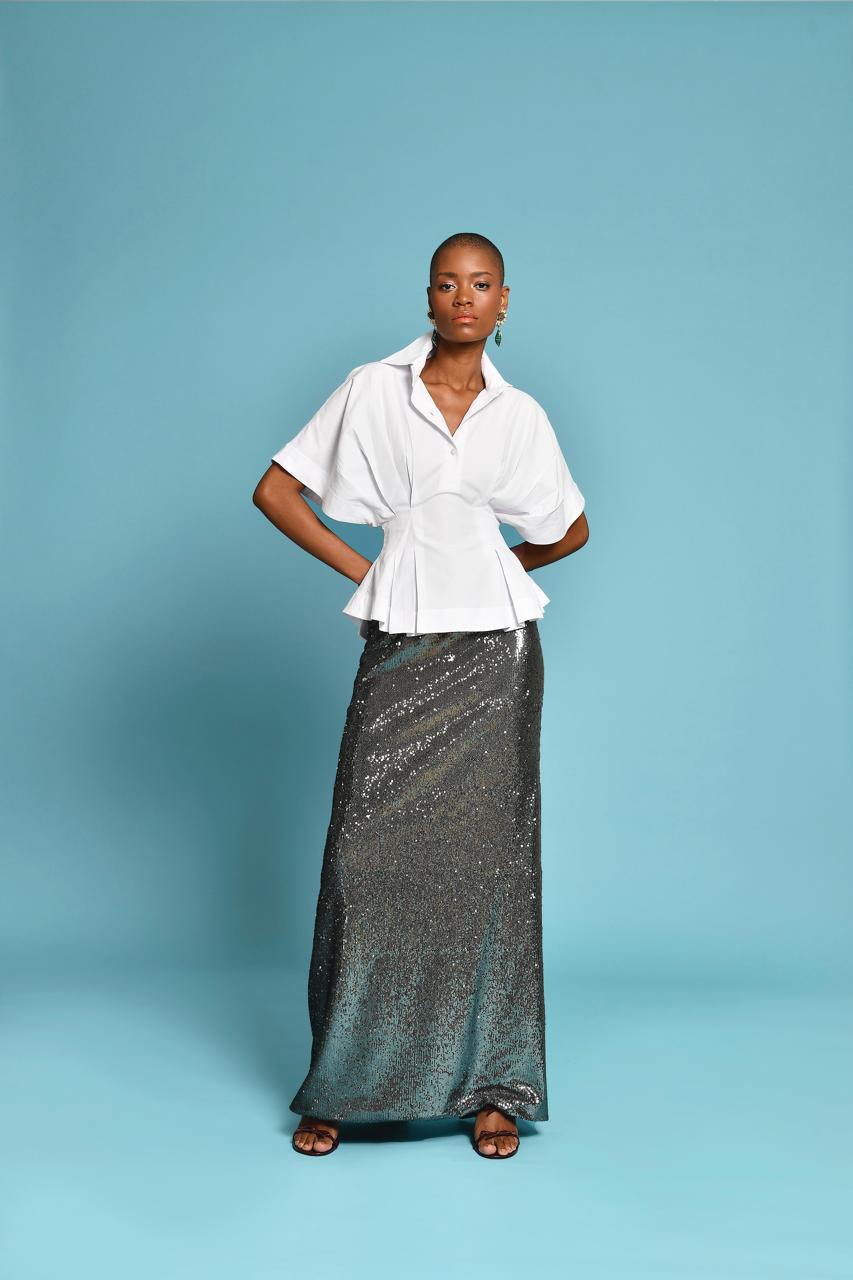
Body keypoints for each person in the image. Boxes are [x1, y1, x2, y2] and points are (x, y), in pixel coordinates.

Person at [252, 232, 589, 1160]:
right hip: (402, 644)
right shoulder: (372, 389)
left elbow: (569, 529)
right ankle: (344, 1082)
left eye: (481, 284)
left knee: (489, 872)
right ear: (428, 298)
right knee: (362, 864)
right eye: (447, 283)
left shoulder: (518, 414)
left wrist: (494, 568)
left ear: (504, 301)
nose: (463, 297)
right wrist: (369, 570)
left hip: (497, 658)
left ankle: (493, 1088)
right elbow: (276, 492)